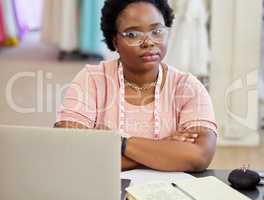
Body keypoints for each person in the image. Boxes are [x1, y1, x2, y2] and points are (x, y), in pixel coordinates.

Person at [54, 0, 217, 172]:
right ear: (115, 41)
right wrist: (165, 149)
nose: (148, 42)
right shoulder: (92, 79)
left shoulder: (187, 87)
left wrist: (118, 142)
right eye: (133, 35)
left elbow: (199, 156)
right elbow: (70, 150)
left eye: (157, 31)